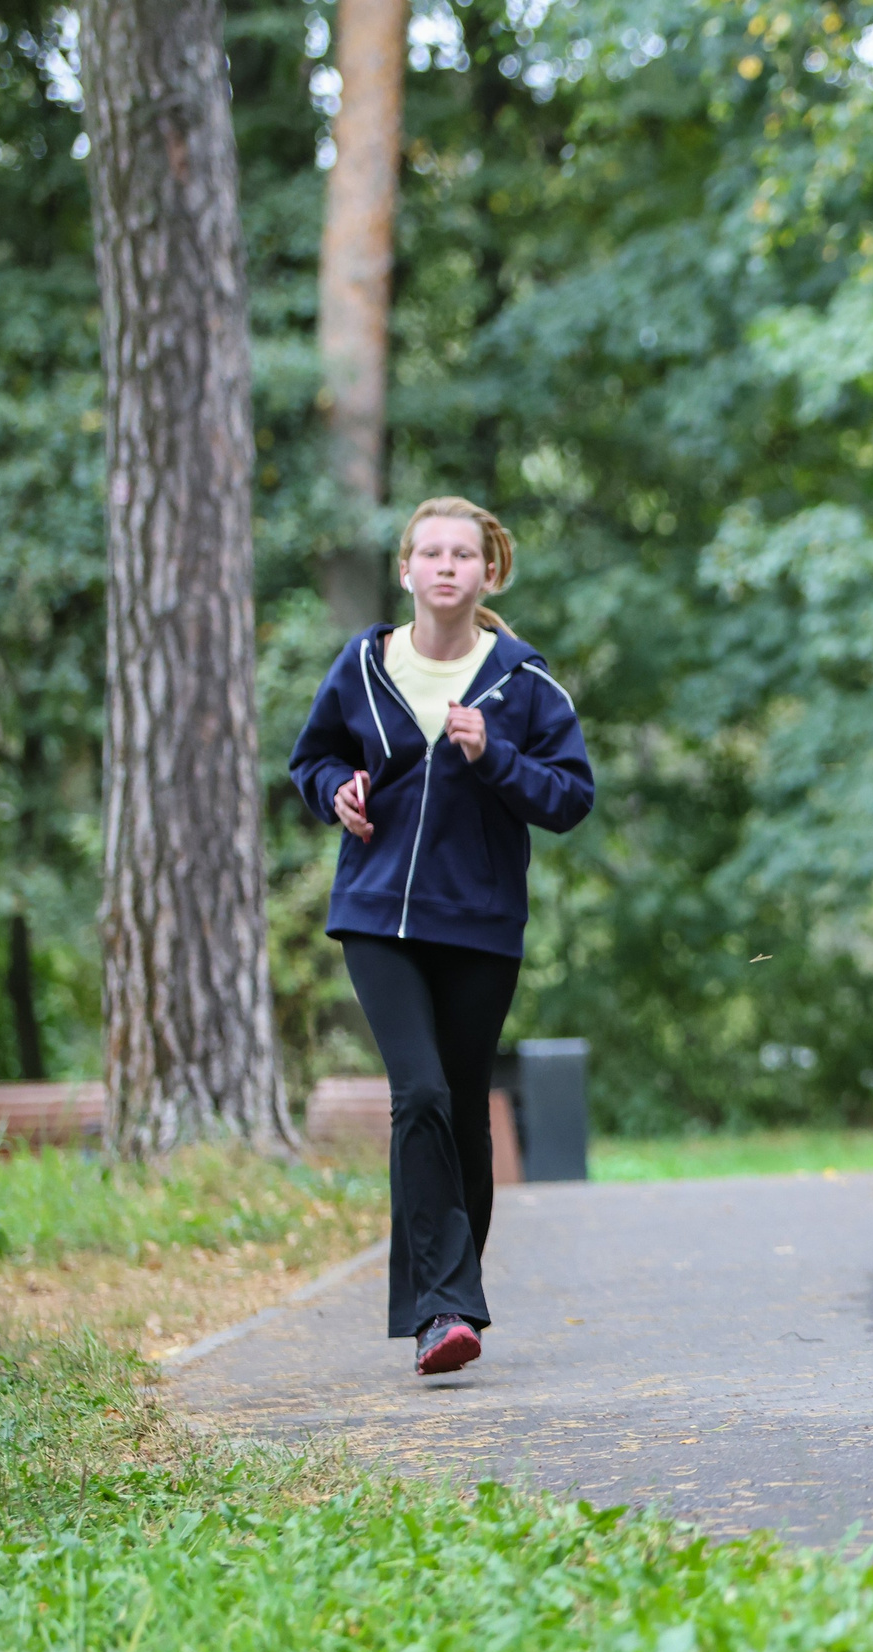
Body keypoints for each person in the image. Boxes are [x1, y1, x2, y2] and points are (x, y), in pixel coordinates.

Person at [289, 497, 594, 1377]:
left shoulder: (523, 683)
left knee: (460, 1109)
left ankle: (445, 1300)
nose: (447, 565)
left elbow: (571, 796)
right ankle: (443, 1310)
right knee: (417, 1092)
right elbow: (311, 759)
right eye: (432, 552)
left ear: (487, 573)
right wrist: (334, 793)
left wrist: (494, 753)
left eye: (464, 554)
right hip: (376, 915)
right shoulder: (363, 663)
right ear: (406, 569)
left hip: (478, 924)